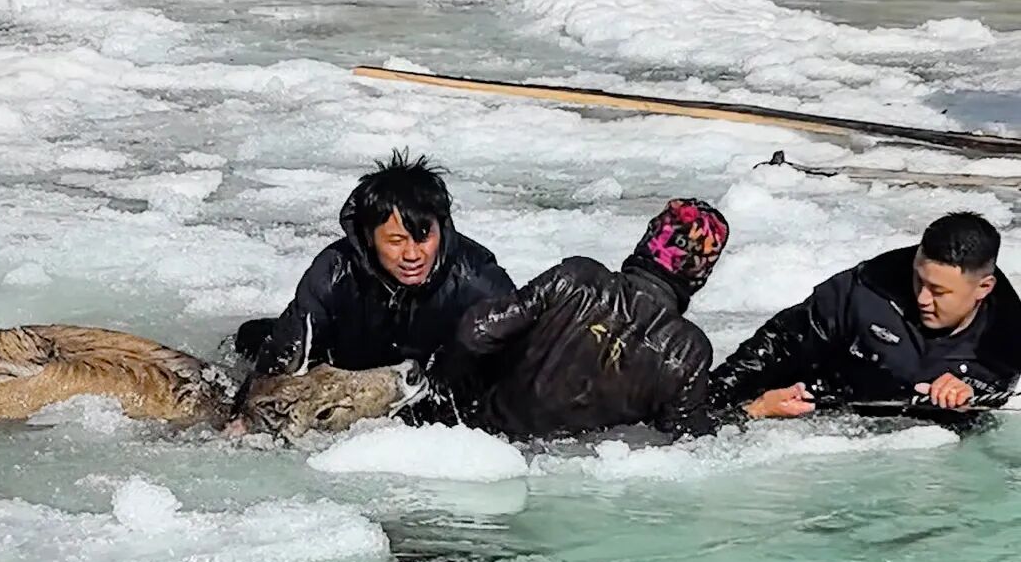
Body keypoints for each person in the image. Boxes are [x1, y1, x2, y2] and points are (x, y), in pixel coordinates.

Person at [228, 150, 514, 426]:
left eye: (424, 237)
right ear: (368, 236)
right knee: (249, 337)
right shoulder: (334, 272)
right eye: (396, 240)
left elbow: (520, 364)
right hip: (351, 378)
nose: (413, 254)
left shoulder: (477, 280)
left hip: (432, 395)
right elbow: (279, 365)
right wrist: (243, 418)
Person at [431, 198, 731, 439]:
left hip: (485, 441)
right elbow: (688, 438)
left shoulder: (577, 279)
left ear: (647, 240)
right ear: (701, 276)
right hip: (573, 478)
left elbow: (476, 332)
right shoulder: (687, 351)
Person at [710, 211, 1021, 428]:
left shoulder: (1005, 335)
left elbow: (995, 396)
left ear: (984, 288)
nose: (922, 298)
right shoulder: (868, 290)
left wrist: (968, 396)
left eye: (939, 291)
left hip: (907, 452)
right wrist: (712, 405)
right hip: (812, 414)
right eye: (918, 280)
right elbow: (779, 343)